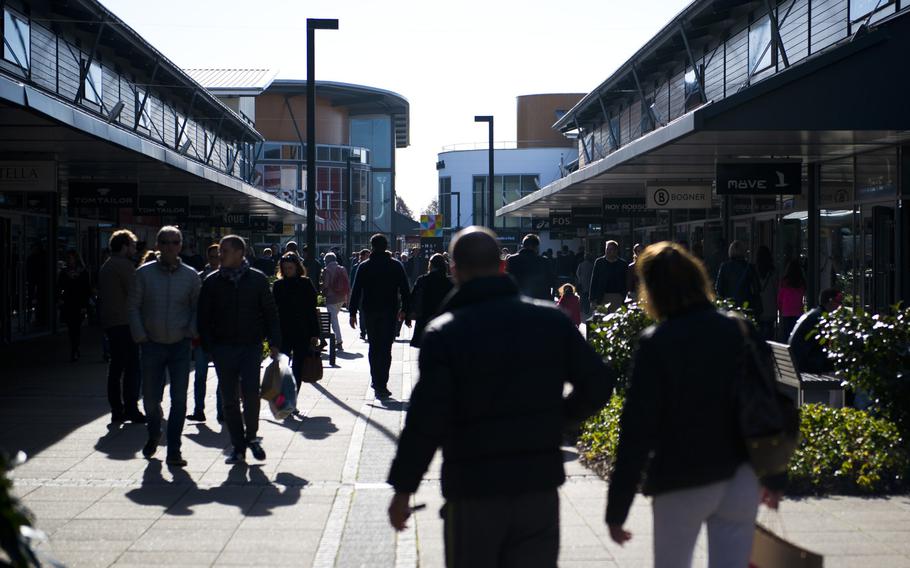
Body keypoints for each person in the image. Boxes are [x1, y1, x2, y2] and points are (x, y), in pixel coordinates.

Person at [387, 226, 613, 567]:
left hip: (473, 488)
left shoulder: (446, 333)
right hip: (537, 487)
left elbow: (426, 419)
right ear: (502, 266)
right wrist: (559, 420)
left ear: (455, 270)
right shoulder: (550, 322)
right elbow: (597, 382)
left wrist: (404, 488)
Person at [606, 242, 784, 568]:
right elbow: (767, 401)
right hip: (739, 475)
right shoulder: (740, 329)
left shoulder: (656, 343)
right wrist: (774, 476)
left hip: (681, 475)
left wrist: (617, 509)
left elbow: (637, 429)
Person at [198, 235, 281, 464]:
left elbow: (270, 313)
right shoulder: (212, 282)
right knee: (229, 399)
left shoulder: (257, 280)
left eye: (224, 251)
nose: (219, 255)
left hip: (250, 346)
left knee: (252, 393)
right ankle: (238, 446)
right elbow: (203, 317)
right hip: (223, 347)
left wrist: (274, 342)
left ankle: (251, 436)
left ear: (239, 253)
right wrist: (209, 346)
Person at [128, 227, 201, 467]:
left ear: (181, 245)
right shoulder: (144, 274)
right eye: (165, 242)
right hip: (151, 344)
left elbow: (196, 308)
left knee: (179, 400)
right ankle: (153, 433)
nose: (170, 246)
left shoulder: (190, 276)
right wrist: (140, 334)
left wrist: (191, 330)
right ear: (157, 245)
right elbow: (133, 306)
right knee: (150, 399)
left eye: (174, 242)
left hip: (179, 345)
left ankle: (174, 450)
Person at [349, 234, 411, 398]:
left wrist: (352, 312)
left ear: (372, 247)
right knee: (386, 348)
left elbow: (356, 290)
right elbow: (405, 289)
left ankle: (376, 380)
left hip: (370, 310)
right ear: (386, 246)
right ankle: (382, 382)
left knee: (374, 346)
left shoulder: (364, 266)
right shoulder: (395, 265)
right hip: (389, 310)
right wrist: (405, 310)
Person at [98, 230, 145, 423]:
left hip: (111, 323)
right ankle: (131, 408)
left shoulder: (106, 266)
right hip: (125, 323)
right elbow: (135, 294)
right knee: (132, 368)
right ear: (124, 246)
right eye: (132, 246)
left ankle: (117, 410)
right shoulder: (124, 266)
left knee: (116, 367)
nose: (134, 250)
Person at [273, 253, 321, 389]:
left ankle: (292, 400)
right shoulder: (278, 285)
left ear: (296, 268)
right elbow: (273, 310)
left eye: (290, 268)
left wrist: (314, 333)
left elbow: (312, 309)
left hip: (302, 331)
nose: (288, 271)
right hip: (283, 330)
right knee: (282, 365)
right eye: (285, 268)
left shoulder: (306, 283)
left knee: (298, 366)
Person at [187, 244, 223, 423]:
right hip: (201, 334)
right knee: (200, 375)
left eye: (218, 256)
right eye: (212, 257)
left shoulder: (228, 278)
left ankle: (221, 411)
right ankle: (198, 410)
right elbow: (193, 307)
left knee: (223, 376)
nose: (215, 260)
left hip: (221, 336)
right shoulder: (199, 278)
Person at [789, 288, 843, 374]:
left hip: (798, 363)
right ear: (830, 301)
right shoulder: (821, 319)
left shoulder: (814, 314)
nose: (840, 306)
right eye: (839, 302)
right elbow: (825, 347)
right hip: (807, 365)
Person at [406, 253, 454, 348]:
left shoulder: (422, 280)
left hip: (424, 317)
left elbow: (413, 298)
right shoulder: (450, 282)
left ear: (431, 265)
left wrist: (408, 316)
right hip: (443, 318)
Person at [58, 250, 92, 361]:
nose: (69, 260)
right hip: (68, 303)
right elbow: (59, 287)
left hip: (78, 303)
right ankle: (74, 348)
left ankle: (75, 348)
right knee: (71, 327)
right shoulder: (64, 273)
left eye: (71, 258)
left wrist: (84, 305)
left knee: (76, 327)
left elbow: (86, 290)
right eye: (68, 258)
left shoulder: (83, 273)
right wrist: (60, 299)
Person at [715, 240, 762, 318]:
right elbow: (756, 289)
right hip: (746, 306)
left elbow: (719, 289)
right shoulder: (749, 267)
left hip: (729, 306)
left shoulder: (724, 267)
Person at [505, 234, 555, 300]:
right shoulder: (544, 261)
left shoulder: (512, 259)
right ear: (536, 247)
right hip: (539, 301)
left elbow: (506, 281)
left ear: (523, 245)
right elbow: (551, 281)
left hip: (518, 300)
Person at [321, 252, 350, 351]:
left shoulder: (327, 270)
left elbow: (325, 285)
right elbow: (347, 283)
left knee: (333, 320)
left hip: (331, 297)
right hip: (341, 297)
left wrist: (322, 290)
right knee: (334, 318)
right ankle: (325, 338)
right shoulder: (342, 268)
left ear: (327, 260)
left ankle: (339, 340)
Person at [589, 240, 628, 313]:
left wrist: (624, 295)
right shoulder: (599, 262)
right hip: (602, 296)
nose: (609, 251)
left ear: (616, 250)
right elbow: (594, 280)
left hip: (618, 296)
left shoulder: (622, 264)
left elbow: (626, 281)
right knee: (603, 320)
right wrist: (592, 299)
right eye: (607, 249)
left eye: (611, 249)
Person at [777, 259, 806, 341]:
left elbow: (780, 297)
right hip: (798, 312)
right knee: (796, 335)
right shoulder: (801, 282)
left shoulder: (785, 282)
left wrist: (780, 308)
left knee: (786, 334)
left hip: (786, 312)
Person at [755, 245, 778, 341]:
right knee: (769, 334)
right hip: (771, 307)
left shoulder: (755, 271)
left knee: (759, 333)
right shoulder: (773, 272)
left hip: (759, 307)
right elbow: (776, 289)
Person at [350, 249, 371, 342]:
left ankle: (367, 330)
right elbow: (353, 281)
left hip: (368, 292)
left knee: (366, 313)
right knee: (362, 313)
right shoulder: (356, 267)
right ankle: (363, 331)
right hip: (360, 292)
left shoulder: (371, 266)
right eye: (367, 255)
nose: (368, 257)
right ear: (361, 256)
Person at [575, 252, 595, 319]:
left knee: (582, 297)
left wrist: (580, 279)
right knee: (587, 297)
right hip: (589, 284)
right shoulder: (592, 265)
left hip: (582, 284)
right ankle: (586, 309)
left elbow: (577, 273)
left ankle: (581, 309)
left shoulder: (581, 265)